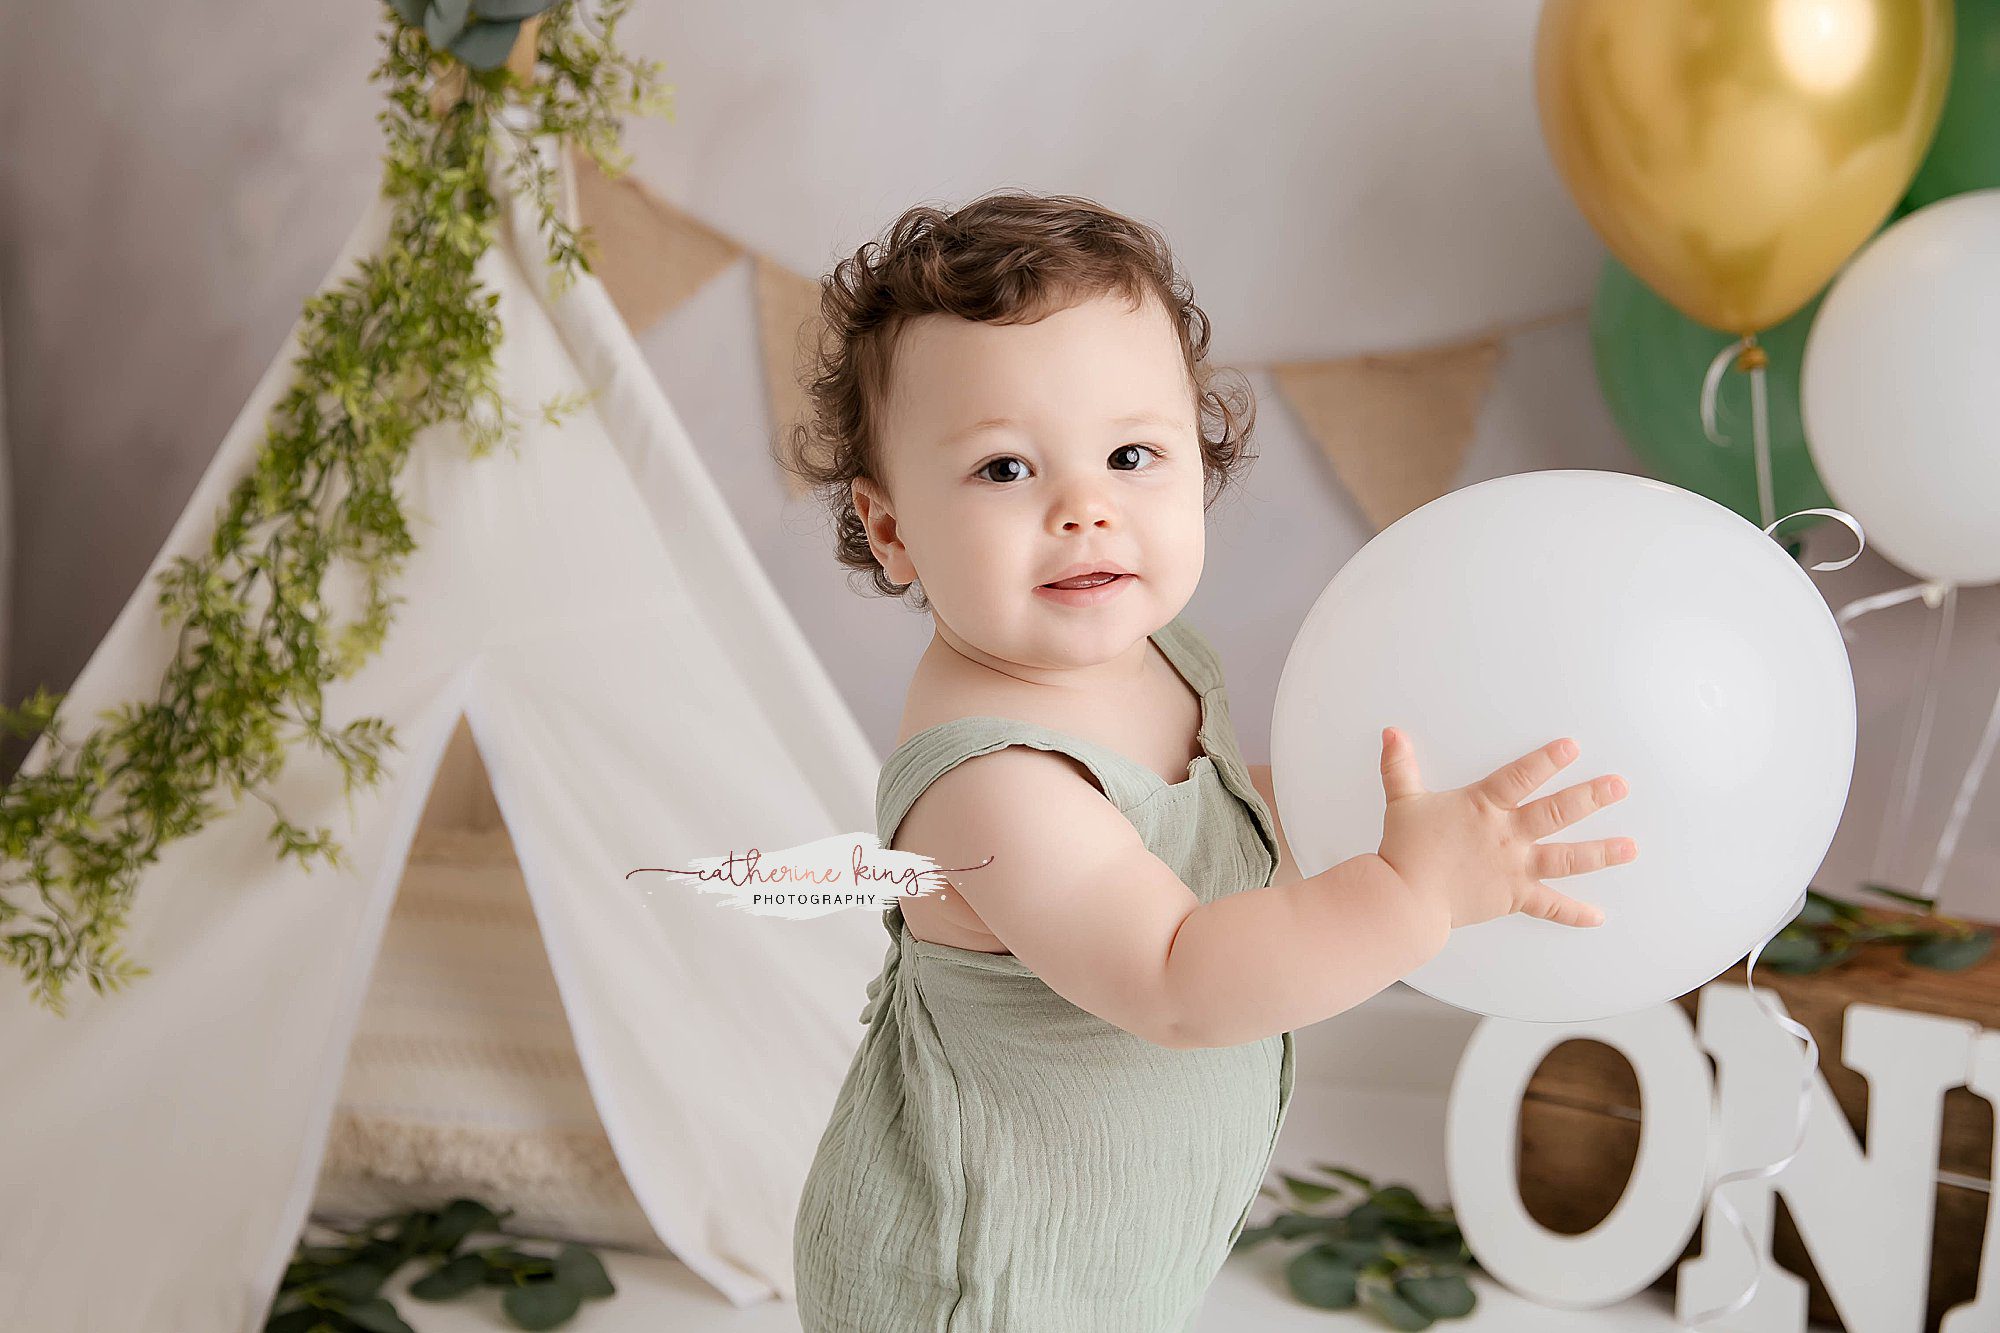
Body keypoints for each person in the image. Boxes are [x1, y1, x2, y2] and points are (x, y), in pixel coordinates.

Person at [778, 190, 1637, 1332]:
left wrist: (1362, 817)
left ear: (1200, 457)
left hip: (1109, 1257)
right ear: (890, 531)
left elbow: (1213, 820)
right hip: (972, 1282)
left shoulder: (1157, 659)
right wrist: (1406, 893)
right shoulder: (991, 785)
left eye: (1129, 453)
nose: (1085, 508)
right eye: (1002, 470)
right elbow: (1180, 978)